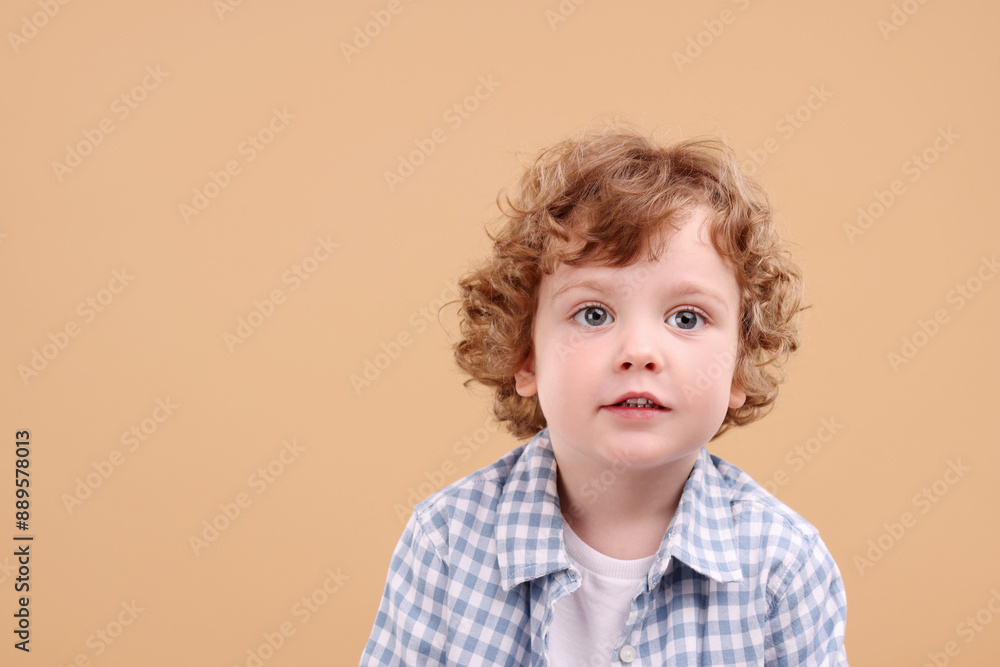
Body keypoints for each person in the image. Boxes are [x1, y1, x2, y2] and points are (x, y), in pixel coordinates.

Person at [361, 121, 848, 665]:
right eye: (593, 313)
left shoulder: (782, 565)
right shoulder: (446, 543)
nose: (639, 351)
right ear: (525, 355)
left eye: (687, 317)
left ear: (738, 364)